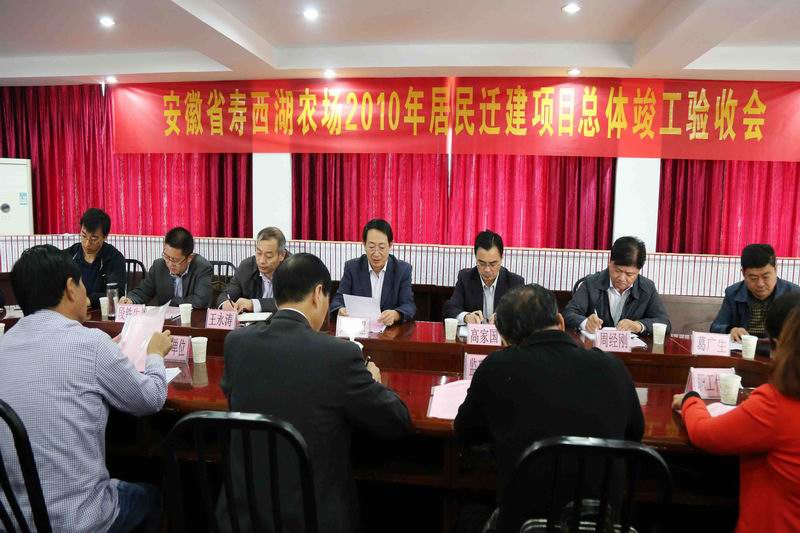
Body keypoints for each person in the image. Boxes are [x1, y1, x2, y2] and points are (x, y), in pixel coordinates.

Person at [217, 253, 411, 532]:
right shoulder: (338, 355)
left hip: (245, 517)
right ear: (319, 294)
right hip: (311, 518)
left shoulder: (237, 343)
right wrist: (374, 382)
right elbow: (397, 421)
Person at [0, 245, 173, 532]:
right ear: (71, 288)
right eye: (81, 283)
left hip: (12, 521)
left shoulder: (3, 345)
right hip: (80, 521)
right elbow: (152, 398)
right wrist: (155, 354)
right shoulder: (90, 344)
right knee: (151, 496)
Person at [454, 284, 644, 533]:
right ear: (561, 321)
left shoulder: (497, 367)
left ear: (504, 338)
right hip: (603, 524)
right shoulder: (613, 366)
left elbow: (465, 431)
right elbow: (635, 433)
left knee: (467, 513)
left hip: (524, 526)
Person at [674, 293, 800, 532]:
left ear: (779, 345)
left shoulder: (777, 403)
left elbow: (704, 434)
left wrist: (691, 399)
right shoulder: (734, 293)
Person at [563, 236, 671, 335]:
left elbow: (664, 323)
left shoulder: (647, 288)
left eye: (629, 274)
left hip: (631, 349)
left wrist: (638, 326)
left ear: (638, 271)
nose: (621, 278)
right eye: (617, 271)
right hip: (595, 347)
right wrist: (585, 322)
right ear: (610, 262)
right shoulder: (591, 283)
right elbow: (568, 313)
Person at [330, 219, 416, 326]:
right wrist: (340, 310)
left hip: (390, 331)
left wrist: (396, 314)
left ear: (390, 245)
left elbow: (409, 305)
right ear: (364, 244)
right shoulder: (352, 268)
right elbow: (338, 300)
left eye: (381, 247)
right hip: (359, 329)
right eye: (371, 247)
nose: (376, 253)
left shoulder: (402, 270)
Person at [711, 244, 800, 341]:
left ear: (775, 269)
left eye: (766, 277)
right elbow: (715, 327)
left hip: (780, 349)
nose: (760, 284)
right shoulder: (733, 293)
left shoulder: (794, 295)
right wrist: (731, 329)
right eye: (753, 278)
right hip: (743, 348)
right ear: (743, 273)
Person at [443, 230, 524, 324]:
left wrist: (504, 318)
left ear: (501, 258)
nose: (487, 270)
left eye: (493, 264)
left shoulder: (515, 282)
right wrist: (466, 317)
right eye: (482, 263)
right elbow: (450, 309)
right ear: (476, 257)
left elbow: (522, 315)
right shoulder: (465, 278)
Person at [120, 226, 212, 308]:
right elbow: (143, 292)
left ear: (189, 258)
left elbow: (200, 301)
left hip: (193, 319)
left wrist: (171, 302)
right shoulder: (158, 266)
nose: (170, 263)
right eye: (166, 257)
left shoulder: (202, 268)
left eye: (175, 260)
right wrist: (131, 300)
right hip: (165, 320)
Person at [215, 226, 288, 313]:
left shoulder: (293, 269)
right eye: (259, 253)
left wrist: (254, 304)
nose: (261, 261)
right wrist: (225, 304)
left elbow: (292, 303)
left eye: (268, 256)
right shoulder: (247, 267)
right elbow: (227, 294)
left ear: (282, 255)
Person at [64, 207, 126, 308]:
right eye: (84, 236)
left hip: (101, 312)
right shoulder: (69, 255)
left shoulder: (114, 258)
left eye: (94, 239)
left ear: (105, 237)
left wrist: (89, 300)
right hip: (71, 310)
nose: (87, 243)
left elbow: (116, 293)